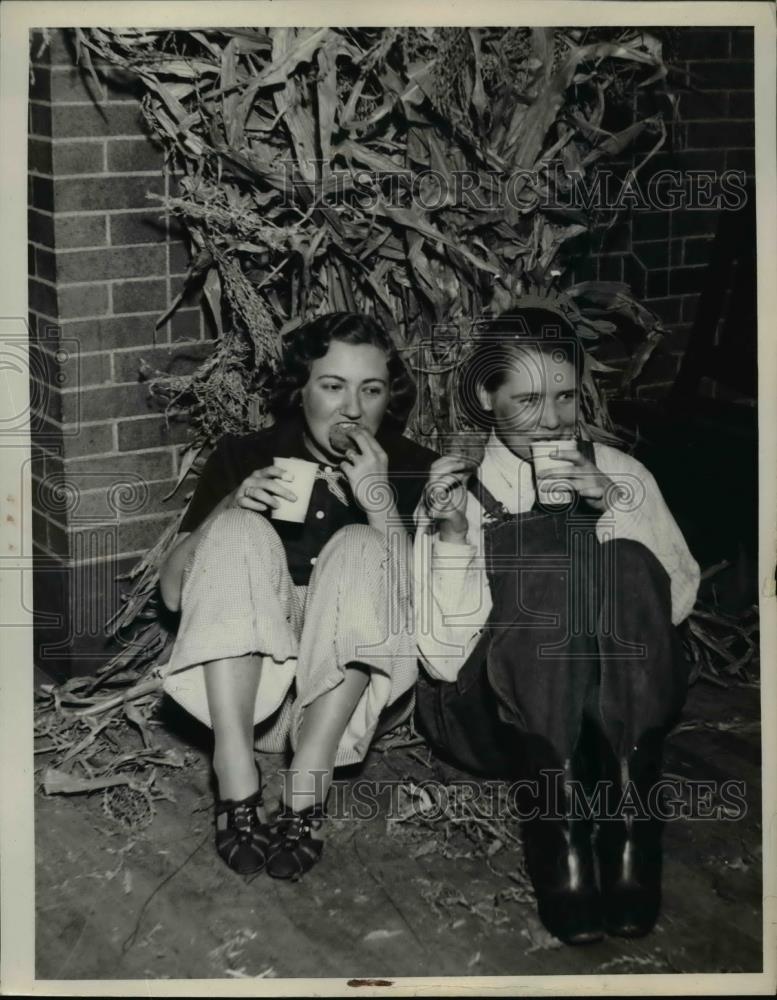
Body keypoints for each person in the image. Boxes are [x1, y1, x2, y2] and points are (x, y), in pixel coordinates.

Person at [413, 306, 700, 944]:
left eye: (566, 395)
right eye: (529, 399)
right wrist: (454, 535)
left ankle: (631, 828)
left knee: (624, 557)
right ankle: (560, 838)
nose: (552, 419)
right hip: (496, 720)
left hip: (612, 721)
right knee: (546, 563)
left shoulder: (617, 472)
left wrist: (612, 510)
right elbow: (441, 654)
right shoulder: (458, 490)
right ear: (487, 398)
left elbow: (674, 602)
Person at [159, 312, 437, 879]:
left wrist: (380, 503)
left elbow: (423, 622)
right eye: (332, 386)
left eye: (372, 389)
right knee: (237, 529)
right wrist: (230, 504)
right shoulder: (245, 455)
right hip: (245, 697)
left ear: (390, 397)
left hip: (343, 708)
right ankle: (234, 774)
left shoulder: (414, 469)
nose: (352, 409)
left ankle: (308, 782)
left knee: (362, 543)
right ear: (301, 390)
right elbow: (169, 594)